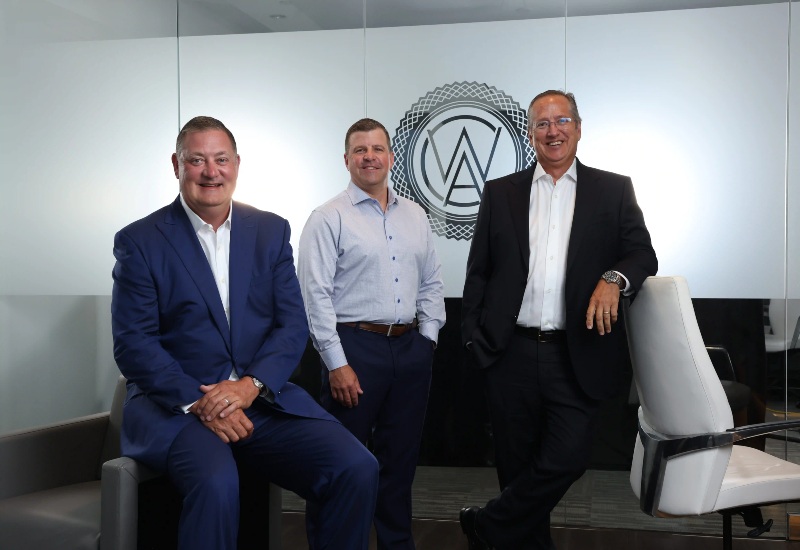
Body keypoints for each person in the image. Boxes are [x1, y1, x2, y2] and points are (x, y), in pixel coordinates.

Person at [111, 116, 378, 550]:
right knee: (217, 483)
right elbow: (133, 343)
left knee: (356, 467)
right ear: (176, 165)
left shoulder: (270, 231)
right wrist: (204, 402)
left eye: (220, 159)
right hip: (176, 406)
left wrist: (250, 387)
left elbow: (290, 324)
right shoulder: (141, 240)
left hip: (261, 400)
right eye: (196, 160)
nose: (210, 172)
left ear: (237, 164)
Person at [459, 91, 658, 550]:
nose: (553, 130)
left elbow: (642, 253)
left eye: (562, 120)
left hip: (577, 353)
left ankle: (486, 524)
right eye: (543, 123)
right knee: (516, 470)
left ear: (579, 127)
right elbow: (479, 272)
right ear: (530, 133)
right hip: (508, 352)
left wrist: (614, 278)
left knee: (566, 460)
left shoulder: (613, 189)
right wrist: (474, 337)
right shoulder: (500, 192)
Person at [297, 118, 446, 550]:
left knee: (400, 465)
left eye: (377, 149)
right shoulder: (327, 218)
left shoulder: (415, 215)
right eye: (360, 150)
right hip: (353, 351)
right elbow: (315, 296)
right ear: (346, 160)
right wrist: (336, 364)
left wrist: (428, 340)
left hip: (409, 348)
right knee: (342, 464)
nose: (369, 157)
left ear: (391, 157)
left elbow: (432, 282)